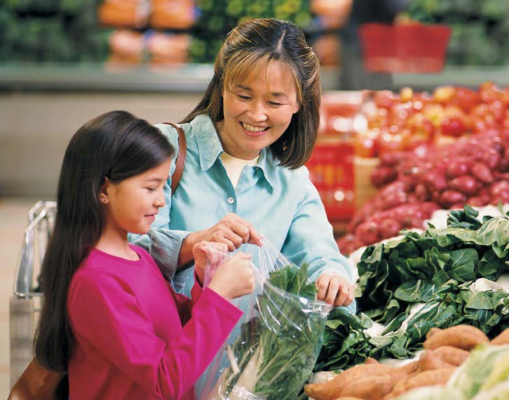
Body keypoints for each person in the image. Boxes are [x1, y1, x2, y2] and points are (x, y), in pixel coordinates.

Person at [133, 18, 355, 308]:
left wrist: (332, 277)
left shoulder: (292, 181)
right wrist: (195, 242)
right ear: (222, 86)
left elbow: (318, 256)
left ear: (299, 103)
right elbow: (125, 252)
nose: (256, 114)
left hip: (251, 355)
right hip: (166, 351)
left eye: (275, 103)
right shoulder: (163, 148)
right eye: (244, 95)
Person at [32, 110, 255, 400]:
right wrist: (219, 296)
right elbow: (163, 381)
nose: (161, 201)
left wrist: (205, 279)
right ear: (104, 189)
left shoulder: (138, 258)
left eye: (162, 186)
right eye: (150, 188)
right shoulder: (96, 281)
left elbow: (176, 333)